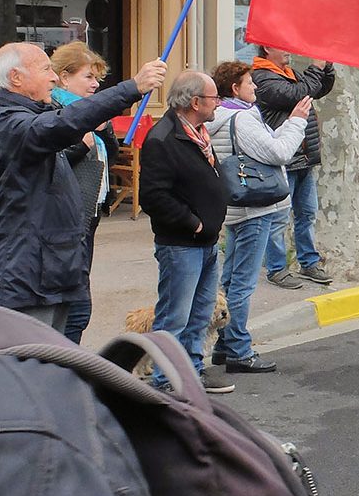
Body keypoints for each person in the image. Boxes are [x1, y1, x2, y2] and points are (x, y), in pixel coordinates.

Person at [0, 43, 165, 330]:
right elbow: (64, 123)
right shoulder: (5, 124)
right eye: (45, 70)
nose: (53, 77)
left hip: (54, 269)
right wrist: (132, 87)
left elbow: (71, 116)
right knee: (34, 365)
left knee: (64, 353)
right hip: (29, 279)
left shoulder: (33, 112)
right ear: (16, 78)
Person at [206, 61, 310, 374]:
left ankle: (225, 346)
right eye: (250, 83)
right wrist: (296, 122)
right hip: (255, 208)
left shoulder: (223, 117)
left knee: (231, 278)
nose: (255, 88)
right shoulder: (241, 118)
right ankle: (239, 349)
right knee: (243, 283)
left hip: (237, 207)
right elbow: (279, 153)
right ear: (235, 89)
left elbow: (262, 149)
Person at [139, 71, 234, 394]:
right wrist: (192, 222)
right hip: (181, 244)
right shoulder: (163, 138)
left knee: (199, 314)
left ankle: (193, 371)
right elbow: (153, 196)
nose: (218, 104)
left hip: (206, 243)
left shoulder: (198, 133)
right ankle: (166, 379)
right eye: (213, 98)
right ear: (195, 102)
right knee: (174, 316)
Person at [49, 41, 120, 344]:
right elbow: (51, 163)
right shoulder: (54, 111)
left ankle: (69, 367)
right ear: (64, 78)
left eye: (97, 78)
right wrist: (81, 145)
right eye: (88, 77)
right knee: (73, 308)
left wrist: (104, 131)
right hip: (64, 220)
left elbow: (111, 158)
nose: (95, 85)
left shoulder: (90, 113)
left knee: (78, 303)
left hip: (87, 218)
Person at [253, 46, 337, 290]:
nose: (289, 49)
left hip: (303, 157)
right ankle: (277, 269)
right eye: (282, 45)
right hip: (283, 160)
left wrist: (327, 66)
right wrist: (316, 67)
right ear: (267, 48)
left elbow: (319, 88)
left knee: (307, 213)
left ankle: (309, 263)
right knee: (278, 218)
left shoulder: (288, 73)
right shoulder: (263, 78)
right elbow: (299, 94)